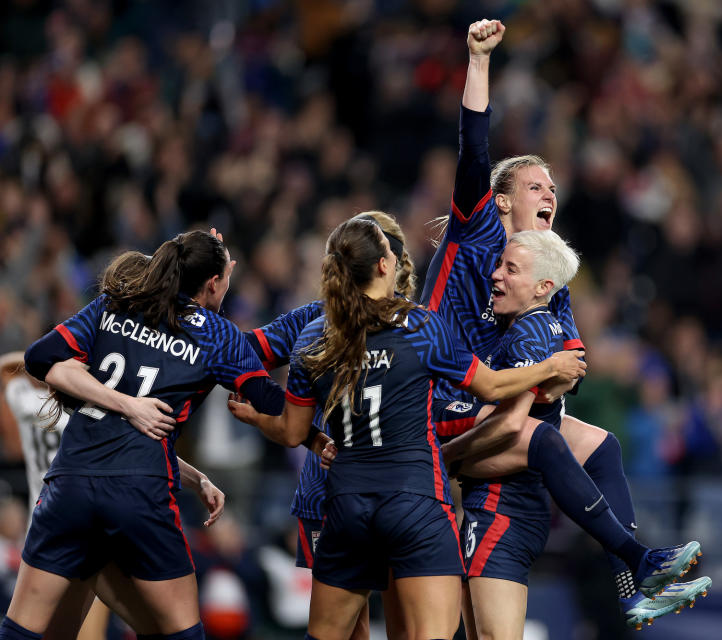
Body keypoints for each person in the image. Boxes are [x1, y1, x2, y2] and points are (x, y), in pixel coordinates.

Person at [420, 19, 704, 628]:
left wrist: (550, 378)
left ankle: (631, 584)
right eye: (534, 184)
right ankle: (638, 557)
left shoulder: (548, 272)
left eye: (554, 186)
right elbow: (474, 147)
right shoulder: (479, 233)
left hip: (494, 404)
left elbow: (571, 367)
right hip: (441, 399)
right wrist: (478, 63)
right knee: (544, 437)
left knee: (602, 443)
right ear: (501, 200)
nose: (550, 192)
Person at [226, 217, 586, 640]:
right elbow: (491, 383)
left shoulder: (312, 338)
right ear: (382, 266)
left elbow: (291, 432)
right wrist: (551, 365)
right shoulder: (420, 327)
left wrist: (258, 416)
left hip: (346, 505)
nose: (398, 254)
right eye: (391, 249)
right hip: (415, 501)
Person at [2, 230, 307, 640]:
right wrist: (319, 436)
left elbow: (41, 358)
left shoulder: (114, 306)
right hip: (138, 494)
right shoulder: (216, 333)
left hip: (69, 487)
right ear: (214, 282)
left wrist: (195, 476)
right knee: (181, 633)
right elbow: (267, 395)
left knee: (24, 631)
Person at [244, 211, 414, 640]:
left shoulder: (418, 328)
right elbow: (246, 354)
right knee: (351, 627)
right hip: (340, 494)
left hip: (389, 495)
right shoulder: (315, 320)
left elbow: (237, 356)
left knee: (395, 623)